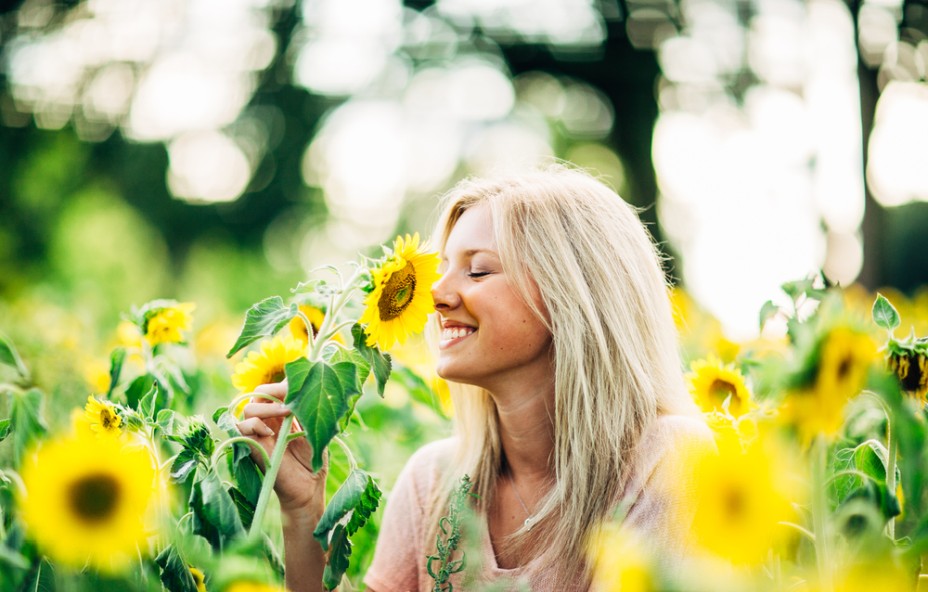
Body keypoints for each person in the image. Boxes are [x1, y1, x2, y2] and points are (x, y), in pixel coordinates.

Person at [237, 163, 713, 592]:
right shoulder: (433, 482)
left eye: (478, 270)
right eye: (442, 269)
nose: (435, 295)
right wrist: (304, 515)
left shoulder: (670, 462)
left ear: (573, 295)